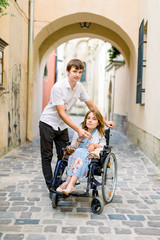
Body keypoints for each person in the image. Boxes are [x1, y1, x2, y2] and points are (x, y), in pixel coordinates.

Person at [39, 59, 114, 198]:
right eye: (74, 71)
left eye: (80, 72)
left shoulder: (79, 87)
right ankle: (52, 188)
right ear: (68, 71)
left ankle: (64, 182)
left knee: (65, 155)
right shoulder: (58, 87)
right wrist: (78, 129)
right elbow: (61, 113)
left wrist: (104, 121)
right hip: (48, 123)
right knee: (47, 157)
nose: (77, 75)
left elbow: (91, 106)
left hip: (61, 126)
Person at [56, 110, 106, 195]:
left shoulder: (99, 134)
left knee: (81, 153)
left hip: (89, 156)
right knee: (78, 152)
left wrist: (94, 145)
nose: (90, 120)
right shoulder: (79, 131)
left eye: (94, 119)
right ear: (85, 120)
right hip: (77, 155)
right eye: (88, 118)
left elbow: (103, 146)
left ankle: (69, 183)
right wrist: (79, 138)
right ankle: (70, 184)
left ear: (98, 123)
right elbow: (73, 146)